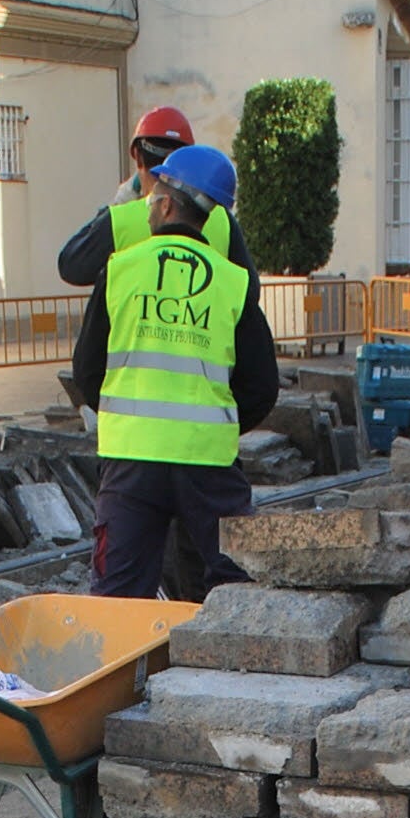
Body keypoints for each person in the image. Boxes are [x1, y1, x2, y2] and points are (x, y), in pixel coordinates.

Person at [71, 143, 279, 599]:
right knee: (234, 592)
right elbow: (262, 387)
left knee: (117, 598)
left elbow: (86, 371)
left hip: (130, 460)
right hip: (208, 464)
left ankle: (127, 670)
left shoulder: (121, 270)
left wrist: (126, 414)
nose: (146, 202)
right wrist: (214, 422)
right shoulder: (233, 282)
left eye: (152, 194)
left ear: (166, 203)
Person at [56, 105, 254, 288]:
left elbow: (70, 267)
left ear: (136, 154)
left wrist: (114, 208)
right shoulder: (221, 219)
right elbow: (248, 289)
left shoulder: (119, 220)